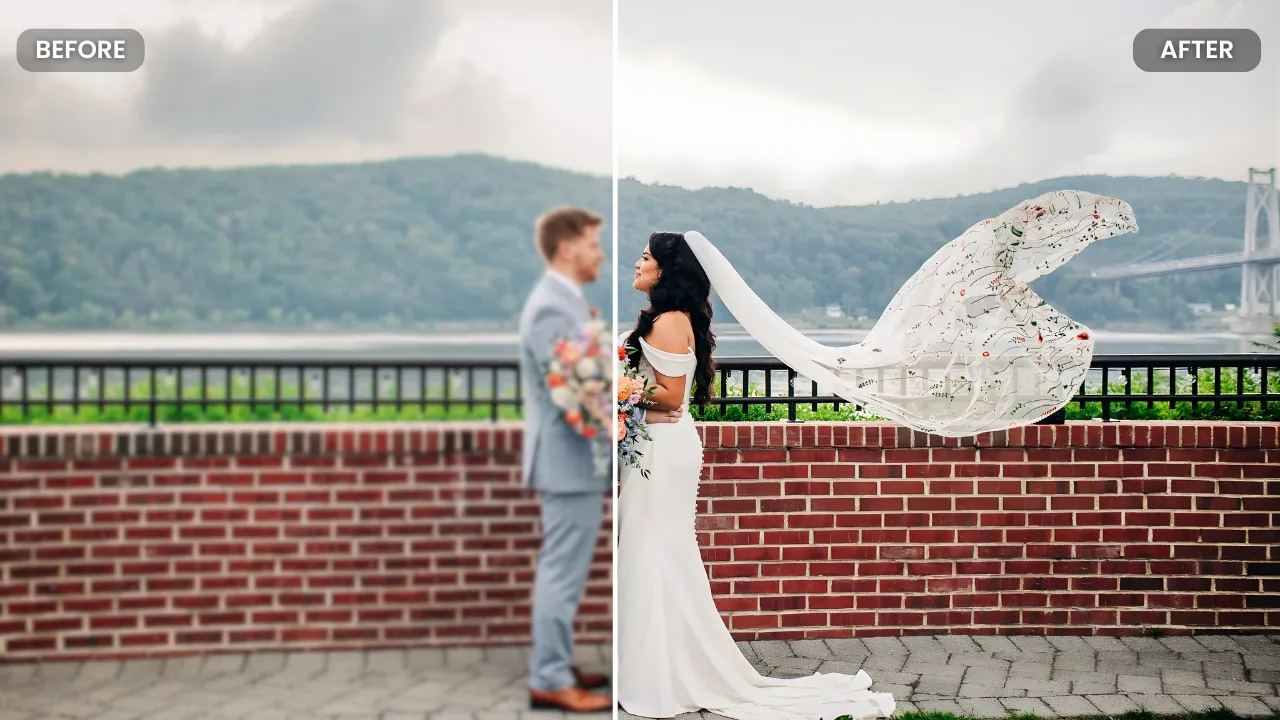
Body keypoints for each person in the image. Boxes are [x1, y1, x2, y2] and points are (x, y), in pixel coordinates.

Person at [616, 191, 1137, 719]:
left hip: (663, 451)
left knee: (657, 549)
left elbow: (672, 398)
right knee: (657, 549)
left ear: (666, 269)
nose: (637, 263)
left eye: (645, 256)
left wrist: (613, 391)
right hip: (657, 447)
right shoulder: (670, 318)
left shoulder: (669, 320)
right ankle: (660, 668)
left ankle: (665, 674)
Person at [517, 206, 612, 712]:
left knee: (565, 572)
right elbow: (575, 393)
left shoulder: (567, 303)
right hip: (567, 460)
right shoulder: (552, 308)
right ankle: (550, 678)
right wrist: (617, 417)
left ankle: (556, 664)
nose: (601, 254)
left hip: (572, 460)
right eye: (594, 244)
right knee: (561, 573)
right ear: (566, 247)